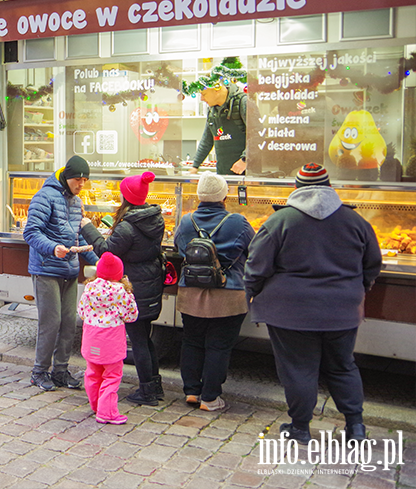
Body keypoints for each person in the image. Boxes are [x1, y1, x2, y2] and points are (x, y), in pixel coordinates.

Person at [244, 163, 382, 444]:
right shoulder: (356, 222)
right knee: (343, 365)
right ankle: (355, 426)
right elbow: (373, 263)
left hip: (289, 312)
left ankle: (300, 428)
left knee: (299, 368)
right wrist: (358, 288)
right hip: (343, 310)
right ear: (330, 187)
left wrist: (254, 292)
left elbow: (256, 266)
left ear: (295, 189)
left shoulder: (279, 222)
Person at [81, 171, 165, 406]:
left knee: (138, 340)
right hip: (150, 283)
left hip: (135, 286)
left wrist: (88, 227)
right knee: (145, 338)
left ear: (126, 197)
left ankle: (148, 392)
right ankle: (154, 386)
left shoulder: (128, 226)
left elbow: (107, 252)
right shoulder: (155, 218)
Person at [174, 172, 254, 412]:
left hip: (191, 292)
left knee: (192, 341)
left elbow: (180, 250)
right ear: (224, 196)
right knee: (219, 345)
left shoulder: (187, 221)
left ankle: (191, 391)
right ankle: (210, 398)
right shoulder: (238, 222)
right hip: (228, 293)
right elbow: (256, 250)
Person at [22, 155, 98, 392]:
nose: (81, 184)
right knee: (51, 322)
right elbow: (31, 232)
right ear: (67, 176)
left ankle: (60, 372)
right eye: (78, 179)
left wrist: (102, 263)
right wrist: (53, 248)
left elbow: (79, 236)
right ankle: (39, 372)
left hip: (70, 269)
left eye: (85, 180)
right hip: (46, 269)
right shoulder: (45, 196)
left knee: (68, 323)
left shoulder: (76, 201)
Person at [79, 252, 138, 425]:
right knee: (112, 376)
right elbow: (132, 316)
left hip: (91, 339)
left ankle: (96, 405)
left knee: (92, 373)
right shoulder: (122, 293)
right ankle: (107, 412)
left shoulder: (89, 289)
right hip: (111, 342)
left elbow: (81, 312)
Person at [187, 69, 252, 176]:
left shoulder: (243, 102)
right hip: (223, 174)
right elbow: (207, 140)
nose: (202, 99)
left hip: (246, 174)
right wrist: (195, 166)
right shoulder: (212, 110)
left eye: (204, 94)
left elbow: (257, 135)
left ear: (217, 90)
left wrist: (245, 160)